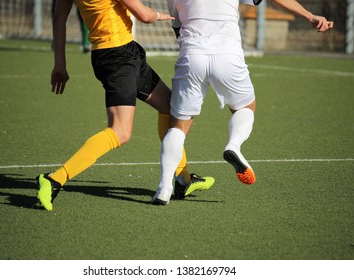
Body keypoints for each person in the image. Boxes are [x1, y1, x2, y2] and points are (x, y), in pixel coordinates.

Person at [37, 0, 215, 211]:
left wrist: (60, 64)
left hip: (115, 54)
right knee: (120, 132)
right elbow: (144, 15)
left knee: (169, 106)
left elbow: (59, 19)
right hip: (118, 57)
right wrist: (167, 16)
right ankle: (55, 179)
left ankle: (184, 180)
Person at [151, 0, 334, 205]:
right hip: (227, 56)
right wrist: (309, 16)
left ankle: (164, 189)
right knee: (246, 107)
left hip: (192, 56)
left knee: (178, 126)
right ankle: (234, 145)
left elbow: (177, 27)